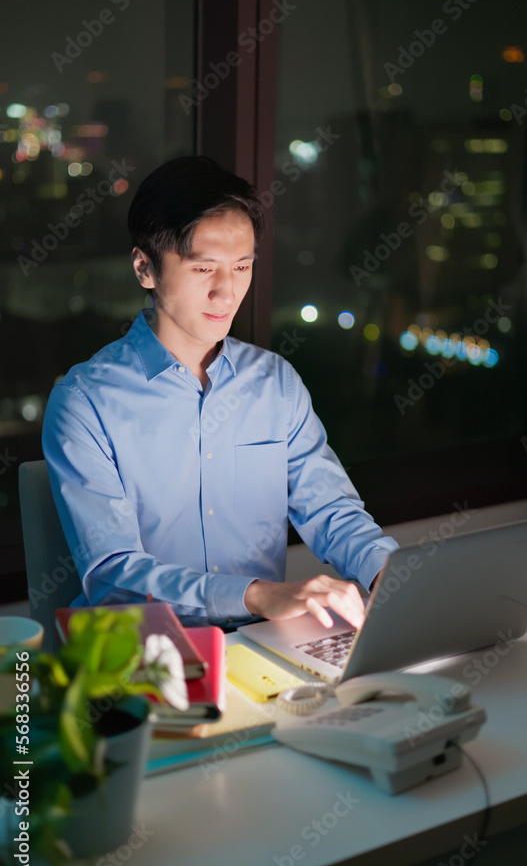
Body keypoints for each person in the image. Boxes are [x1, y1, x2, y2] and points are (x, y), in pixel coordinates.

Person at [42, 155, 399, 631]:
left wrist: (391, 579)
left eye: (242, 266)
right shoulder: (85, 402)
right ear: (145, 268)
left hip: (261, 648)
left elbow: (332, 510)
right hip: (146, 659)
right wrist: (257, 596)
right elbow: (115, 574)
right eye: (203, 268)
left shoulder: (275, 383)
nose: (226, 292)